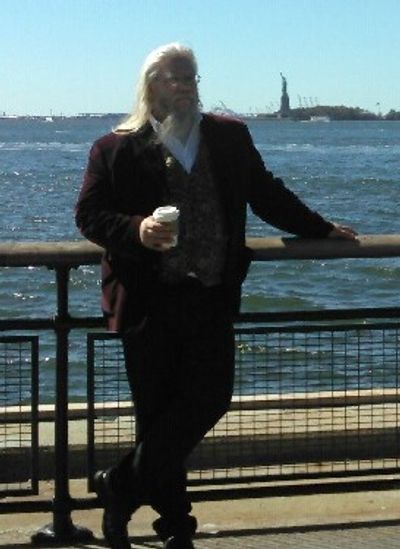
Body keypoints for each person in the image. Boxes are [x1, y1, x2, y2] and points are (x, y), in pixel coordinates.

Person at [75, 42, 357, 549]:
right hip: (147, 299)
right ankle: (174, 525)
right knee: (158, 417)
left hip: (209, 295)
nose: (186, 87)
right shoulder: (113, 147)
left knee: (209, 398)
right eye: (175, 78)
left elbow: (267, 193)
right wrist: (137, 230)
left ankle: (117, 487)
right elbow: (90, 216)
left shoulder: (228, 137)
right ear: (151, 84)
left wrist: (320, 228)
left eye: (192, 78)